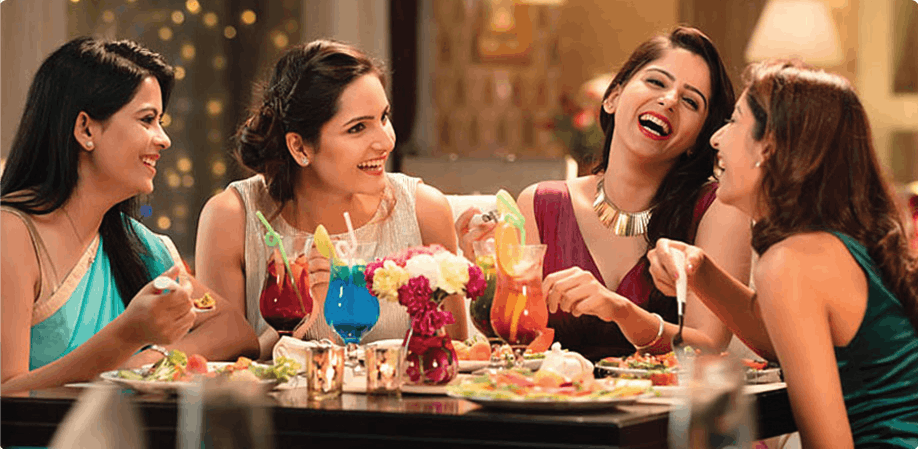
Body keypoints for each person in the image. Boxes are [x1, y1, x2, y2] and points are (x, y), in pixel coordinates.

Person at [647, 60, 918, 448]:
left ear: (768, 146)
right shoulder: (830, 243)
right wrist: (701, 271)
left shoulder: (792, 261)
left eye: (734, 121)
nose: (715, 139)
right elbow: (777, 339)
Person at [465, 27, 752, 361]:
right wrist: (483, 270)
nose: (670, 100)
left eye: (690, 101)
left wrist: (620, 310)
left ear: (698, 139)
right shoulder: (540, 203)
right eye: (657, 82)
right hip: (551, 401)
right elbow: (513, 336)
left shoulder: (718, 207)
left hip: (663, 409)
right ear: (613, 97)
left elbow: (708, 344)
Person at [0, 37, 259, 394]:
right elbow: (9, 396)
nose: (164, 139)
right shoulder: (11, 235)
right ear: (86, 129)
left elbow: (234, 330)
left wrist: (150, 357)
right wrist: (126, 336)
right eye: (148, 120)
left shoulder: (136, 244)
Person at [195, 39, 464, 359]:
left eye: (384, 117)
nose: (385, 141)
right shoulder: (232, 218)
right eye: (358, 128)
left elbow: (456, 356)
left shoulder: (425, 211)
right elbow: (222, 371)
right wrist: (296, 321)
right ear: (300, 148)